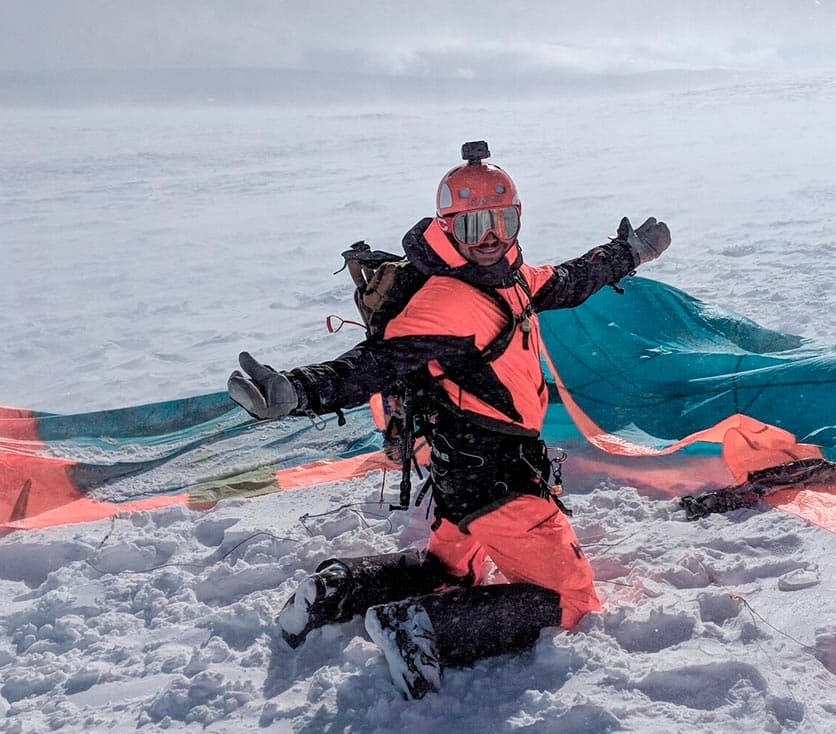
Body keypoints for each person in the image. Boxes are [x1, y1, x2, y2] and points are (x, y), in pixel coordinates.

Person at [228, 140, 670, 699]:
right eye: (473, 226)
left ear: (516, 222)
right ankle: (417, 628)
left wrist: (627, 252)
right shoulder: (446, 303)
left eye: (501, 222)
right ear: (448, 228)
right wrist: (297, 390)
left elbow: (567, 281)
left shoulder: (511, 277)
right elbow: (374, 364)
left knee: (450, 570)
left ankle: (337, 591)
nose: (489, 238)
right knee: (573, 598)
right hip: (496, 477)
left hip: (461, 468)